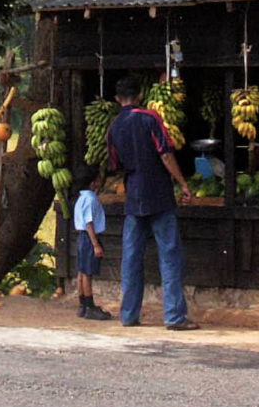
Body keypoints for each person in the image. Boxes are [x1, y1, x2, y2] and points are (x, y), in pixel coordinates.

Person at [106, 75, 199, 330]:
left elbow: (115, 165)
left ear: (117, 99)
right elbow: (166, 154)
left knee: (131, 257)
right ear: (139, 97)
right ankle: (173, 316)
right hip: (159, 194)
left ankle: (128, 315)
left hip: (133, 196)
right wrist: (183, 182)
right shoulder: (150, 118)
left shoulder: (113, 128)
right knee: (169, 254)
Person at [73, 172, 112, 321]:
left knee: (81, 272)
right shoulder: (90, 199)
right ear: (92, 183)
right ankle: (90, 306)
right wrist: (96, 244)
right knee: (87, 273)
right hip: (89, 237)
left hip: (82, 237)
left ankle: (82, 305)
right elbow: (89, 222)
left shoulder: (81, 198)